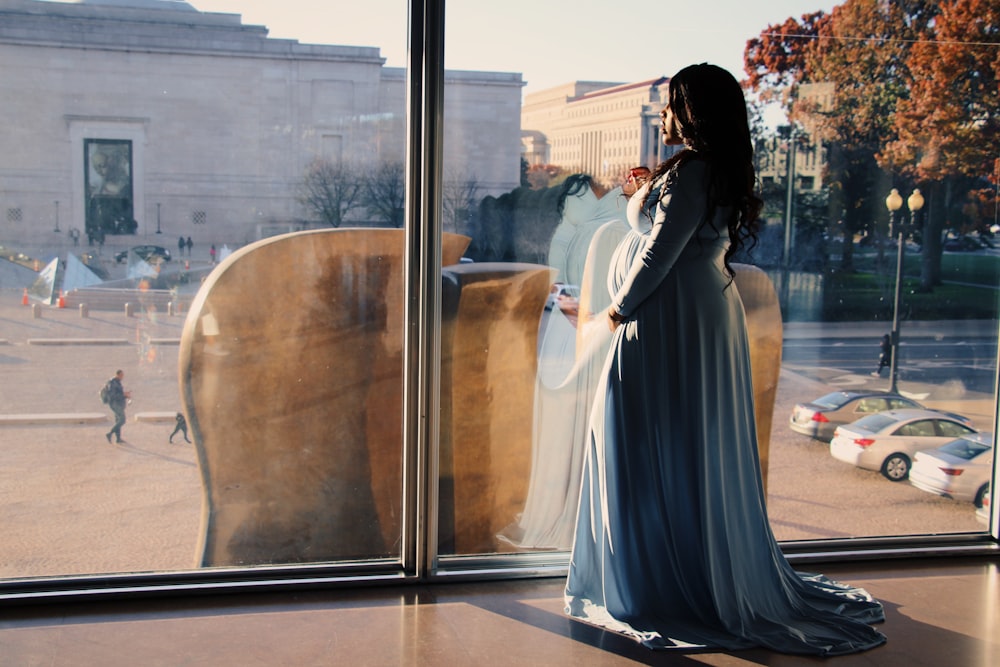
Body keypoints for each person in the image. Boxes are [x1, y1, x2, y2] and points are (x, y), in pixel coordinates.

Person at [564, 63, 886, 655]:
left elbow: (659, 254)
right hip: (692, 317)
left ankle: (659, 587)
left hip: (667, 321)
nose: (662, 115)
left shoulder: (694, 172)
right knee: (684, 443)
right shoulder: (704, 169)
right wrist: (644, 191)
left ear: (693, 111)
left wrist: (612, 313)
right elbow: (672, 232)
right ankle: (673, 572)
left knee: (643, 437)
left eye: (670, 105)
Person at [104, 369, 131, 444]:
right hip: (115, 404)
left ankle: (118, 439)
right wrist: (123, 395)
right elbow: (113, 396)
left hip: (119, 404)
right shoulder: (113, 383)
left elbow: (119, 393)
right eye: (121, 375)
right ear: (117, 375)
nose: (122, 377)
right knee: (122, 419)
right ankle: (110, 433)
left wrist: (125, 395)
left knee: (118, 420)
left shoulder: (117, 382)